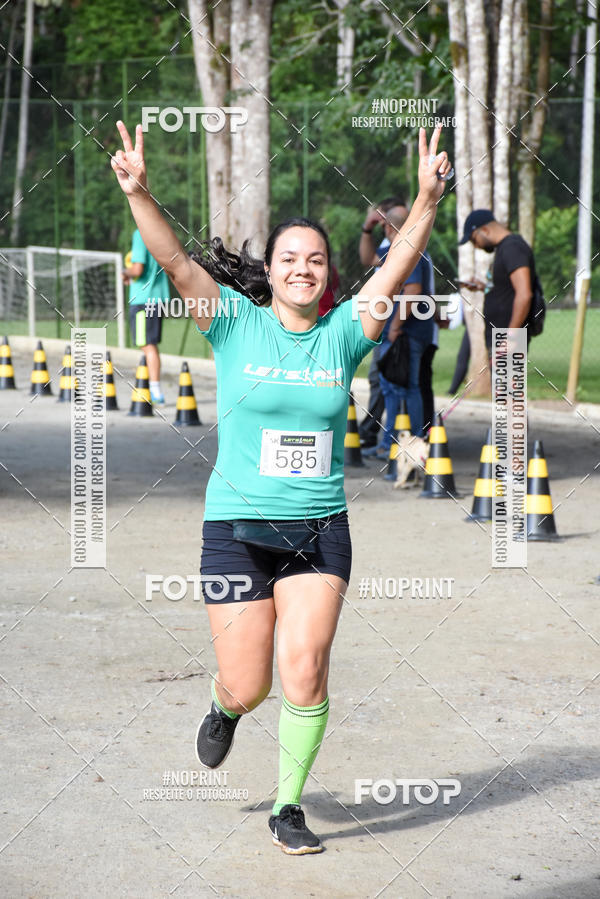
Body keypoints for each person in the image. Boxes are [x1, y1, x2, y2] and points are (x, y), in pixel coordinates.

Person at [111, 120, 451, 855]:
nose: (303, 268)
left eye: (316, 259)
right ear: (270, 268)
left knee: (305, 669)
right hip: (235, 532)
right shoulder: (234, 322)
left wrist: (425, 200)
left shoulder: (344, 334)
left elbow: (398, 264)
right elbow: (174, 262)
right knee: (249, 683)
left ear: (329, 274)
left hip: (318, 532)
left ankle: (287, 806)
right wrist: (139, 193)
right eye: (290, 258)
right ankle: (223, 706)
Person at [357, 196, 408, 448]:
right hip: (386, 325)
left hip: (397, 329)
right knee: (383, 381)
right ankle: (382, 436)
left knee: (390, 383)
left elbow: (414, 290)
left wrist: (395, 326)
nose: (381, 225)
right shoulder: (389, 247)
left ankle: (384, 438)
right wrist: (366, 229)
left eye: (383, 221)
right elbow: (368, 259)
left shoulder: (403, 248)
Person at [458, 209, 535, 354]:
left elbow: (524, 294)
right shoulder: (504, 248)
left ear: (485, 230)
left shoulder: (513, 247)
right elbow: (507, 289)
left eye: (474, 239)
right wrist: (482, 286)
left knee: (508, 370)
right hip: (501, 335)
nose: (476, 246)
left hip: (509, 337)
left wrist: (511, 336)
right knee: (498, 370)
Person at [123, 228, 171, 403]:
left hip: (144, 298)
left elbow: (137, 269)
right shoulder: (159, 231)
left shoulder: (140, 233)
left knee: (147, 345)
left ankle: (155, 392)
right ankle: (154, 388)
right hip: (157, 296)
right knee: (148, 344)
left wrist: (124, 272)